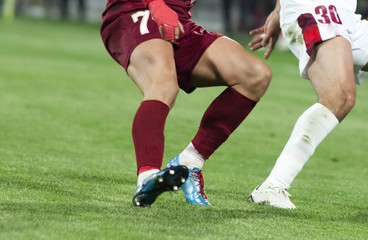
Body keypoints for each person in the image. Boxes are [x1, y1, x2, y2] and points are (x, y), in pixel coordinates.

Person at [247, 0, 368, 209]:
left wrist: (279, 10)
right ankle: (272, 186)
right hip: (315, 9)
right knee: (339, 96)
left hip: (345, 15)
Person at [100, 0, 271, 207]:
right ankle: (147, 178)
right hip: (136, 10)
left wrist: (281, 12)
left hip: (178, 20)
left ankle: (191, 162)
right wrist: (155, 4)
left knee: (255, 75)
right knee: (163, 84)